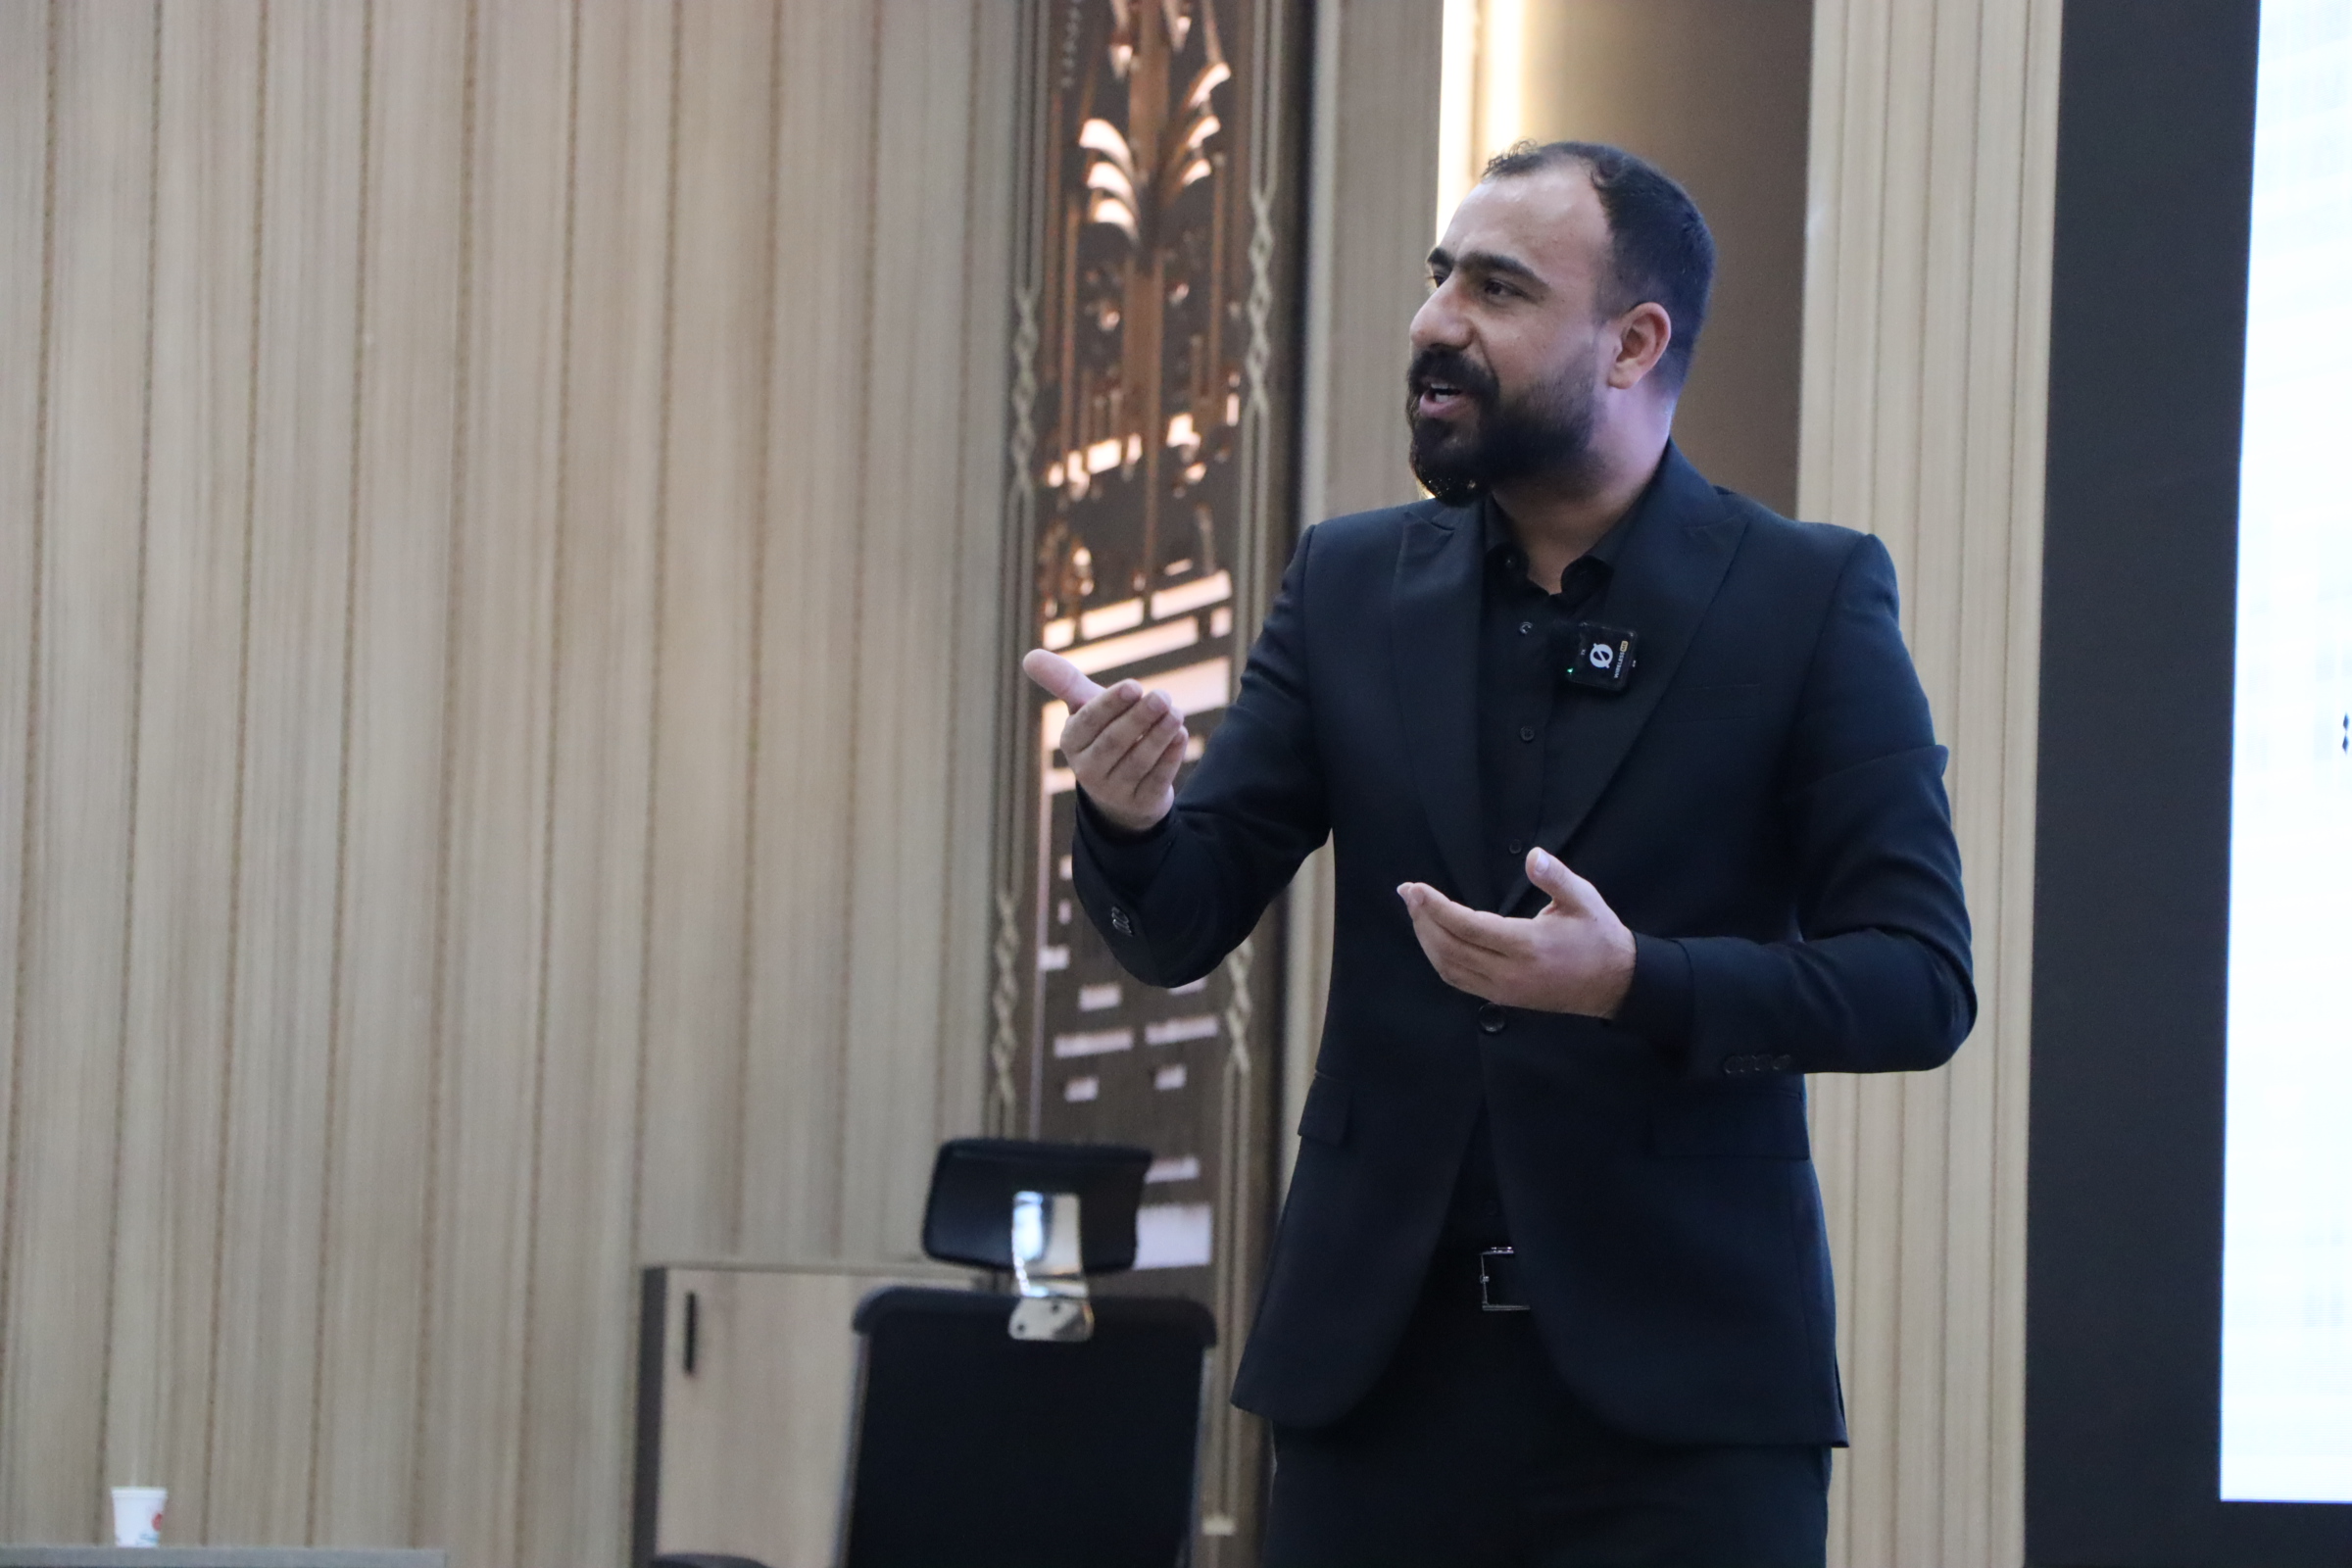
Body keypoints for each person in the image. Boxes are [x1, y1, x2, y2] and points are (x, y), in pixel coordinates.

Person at [1023, 141, 1972, 1568]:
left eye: (1499, 289)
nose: (1436, 323)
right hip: (1375, 1385)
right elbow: (1180, 922)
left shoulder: (1804, 596)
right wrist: (1131, 817)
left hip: (1684, 1409)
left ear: (1633, 343)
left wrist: (1635, 981)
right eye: (1440, 278)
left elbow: (1917, 982)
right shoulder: (1349, 583)